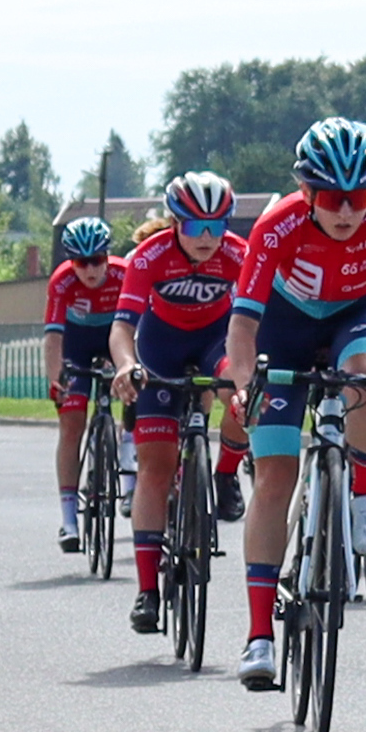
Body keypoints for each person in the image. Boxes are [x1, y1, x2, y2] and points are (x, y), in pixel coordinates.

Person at [225, 118, 366, 689]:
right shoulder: (276, 225)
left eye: (359, 197)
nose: (346, 211)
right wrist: (244, 385)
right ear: (307, 193)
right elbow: (243, 327)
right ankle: (259, 635)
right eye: (332, 198)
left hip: (355, 317)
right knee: (274, 478)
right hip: (284, 328)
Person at [110, 172, 250, 634]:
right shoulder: (149, 256)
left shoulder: (238, 253)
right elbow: (123, 327)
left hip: (216, 340)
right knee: (155, 467)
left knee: (240, 387)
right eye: (195, 228)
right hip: (161, 347)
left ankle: (227, 472)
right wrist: (127, 365)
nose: (207, 238)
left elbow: (258, 316)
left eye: (217, 225)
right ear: (174, 223)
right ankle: (147, 590)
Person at [42, 217, 124, 552]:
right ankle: (68, 519)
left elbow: (142, 327)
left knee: (138, 394)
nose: (90, 270)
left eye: (97, 260)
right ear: (70, 261)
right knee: (71, 423)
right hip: (75, 344)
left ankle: (129, 474)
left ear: (108, 256)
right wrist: (55, 378)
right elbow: (52, 337)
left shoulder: (124, 273)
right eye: (81, 262)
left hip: (115, 338)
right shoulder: (61, 282)